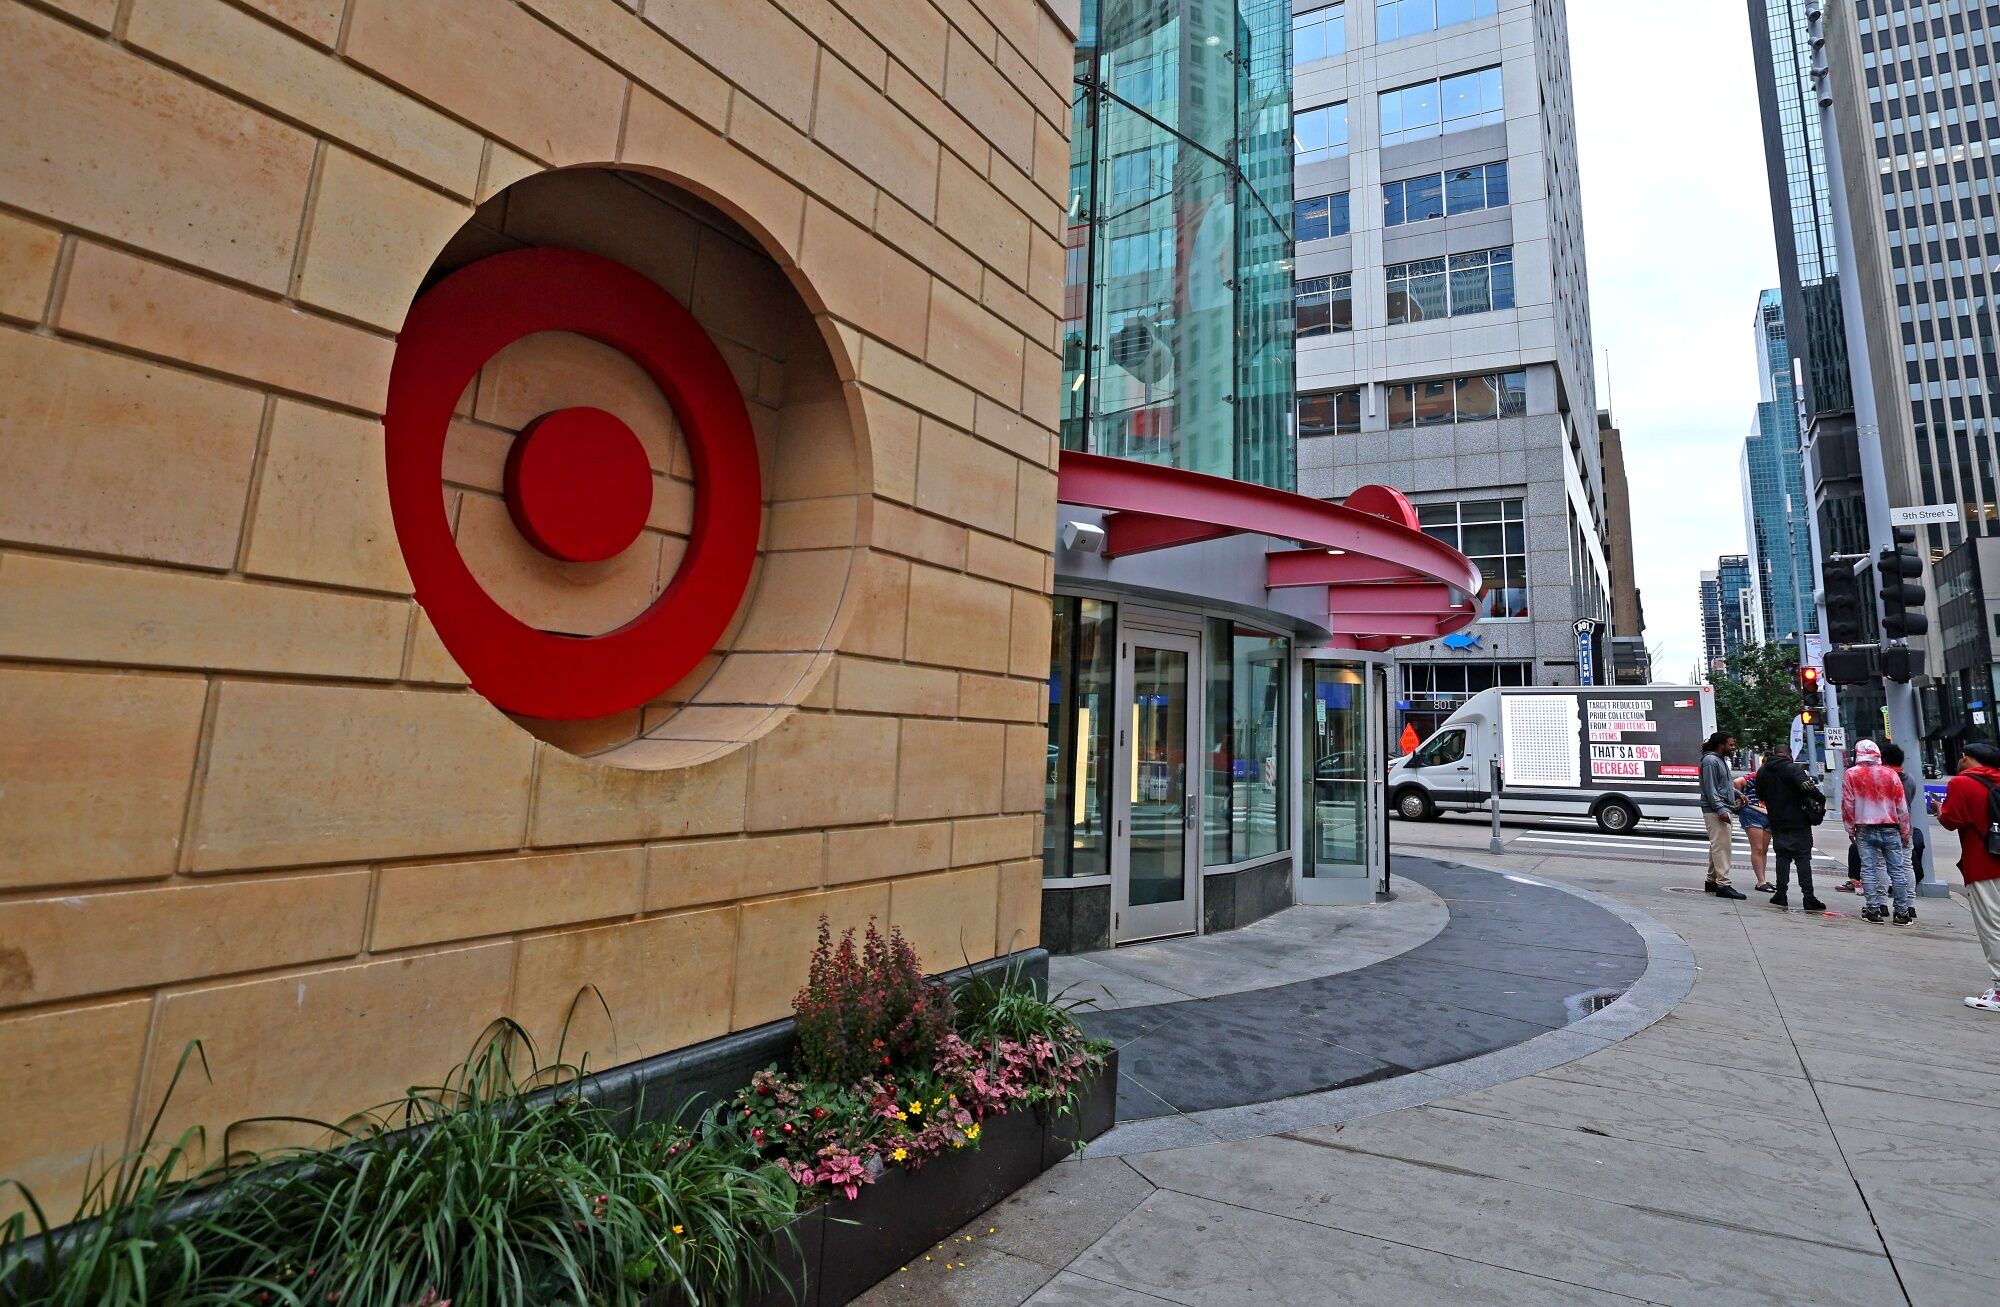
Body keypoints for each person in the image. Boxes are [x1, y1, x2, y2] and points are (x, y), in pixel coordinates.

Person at [1936, 742, 2000, 1012]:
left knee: (1993, 926)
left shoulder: (1962, 783)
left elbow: (1951, 820)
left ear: (1968, 759)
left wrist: (1940, 809)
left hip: (1984, 864)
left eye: (1963, 756)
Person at [1841, 739, 1915, 924]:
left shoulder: (1851, 774)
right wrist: (1905, 831)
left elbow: (1848, 804)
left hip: (1864, 827)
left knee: (1869, 870)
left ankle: (1873, 910)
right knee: (1897, 870)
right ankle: (1902, 912)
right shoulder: (1890, 774)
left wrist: (1850, 829)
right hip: (1890, 827)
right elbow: (1901, 806)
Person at [1754, 743, 1826, 913]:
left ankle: (1781, 894)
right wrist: (1821, 800)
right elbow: (1808, 788)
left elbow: (1760, 795)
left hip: (1777, 820)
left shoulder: (1763, 771)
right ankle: (1808, 897)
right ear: (1789, 754)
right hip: (1798, 820)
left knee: (1782, 858)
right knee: (1803, 858)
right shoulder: (1793, 769)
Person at [1699, 732, 1747, 899]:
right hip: (1716, 809)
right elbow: (1710, 789)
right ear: (1721, 745)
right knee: (1722, 848)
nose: (1733, 747)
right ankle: (1723, 884)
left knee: (1717, 846)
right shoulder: (1710, 761)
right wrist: (1721, 810)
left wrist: (1738, 794)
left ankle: (1712, 881)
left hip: (1720, 807)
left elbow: (1722, 786)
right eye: (1731, 745)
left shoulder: (1718, 760)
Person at [1881, 741, 1927, 883]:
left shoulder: (1881, 779)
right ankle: (1909, 894)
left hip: (1883, 826)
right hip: (1905, 828)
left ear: (1883, 759)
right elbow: (1908, 802)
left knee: (1880, 864)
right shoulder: (1910, 779)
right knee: (1906, 865)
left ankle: (1887, 892)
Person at [1735, 767, 1775, 892]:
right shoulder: (1756, 775)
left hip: (1769, 814)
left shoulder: (1777, 777)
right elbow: (1737, 782)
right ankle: (1761, 881)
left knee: (1764, 849)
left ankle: (1762, 879)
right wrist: (1740, 798)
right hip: (1753, 811)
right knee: (1758, 848)